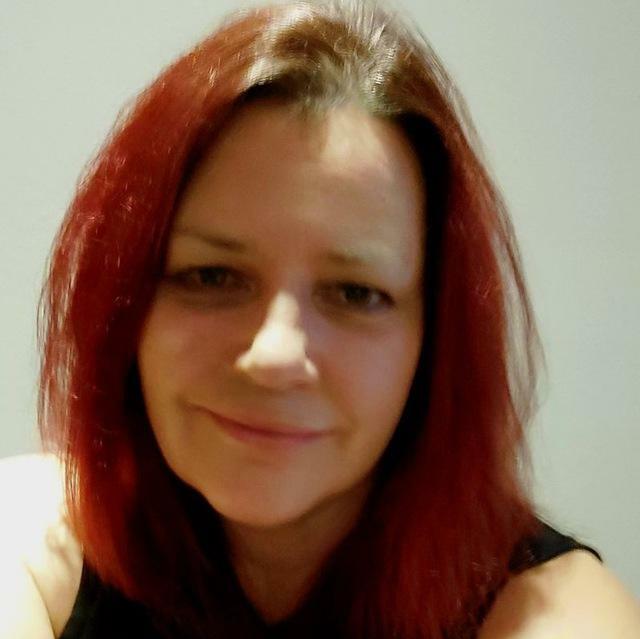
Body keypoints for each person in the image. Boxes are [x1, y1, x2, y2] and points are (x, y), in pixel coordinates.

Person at [1, 0, 639, 637]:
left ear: (434, 341)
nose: (274, 355)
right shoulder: (33, 538)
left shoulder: (552, 613)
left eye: (355, 293)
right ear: (126, 310)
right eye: (211, 277)